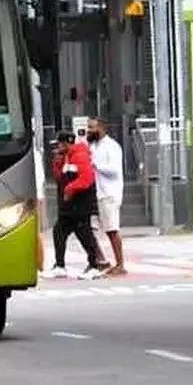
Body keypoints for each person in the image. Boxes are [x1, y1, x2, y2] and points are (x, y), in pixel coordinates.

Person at [41, 131, 104, 280]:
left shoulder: (79, 155)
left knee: (84, 234)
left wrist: (70, 189)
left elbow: (87, 179)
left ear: (65, 143)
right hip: (70, 206)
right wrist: (57, 162)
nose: (57, 148)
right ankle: (60, 265)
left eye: (59, 144)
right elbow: (60, 178)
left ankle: (95, 265)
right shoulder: (67, 157)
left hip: (80, 204)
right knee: (59, 232)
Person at [87, 117, 126, 276]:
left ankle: (120, 264)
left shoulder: (112, 146)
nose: (88, 130)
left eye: (91, 127)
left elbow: (114, 170)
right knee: (87, 229)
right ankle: (102, 260)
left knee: (111, 229)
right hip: (96, 193)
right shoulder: (93, 146)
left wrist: (95, 164)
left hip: (109, 193)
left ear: (101, 128)